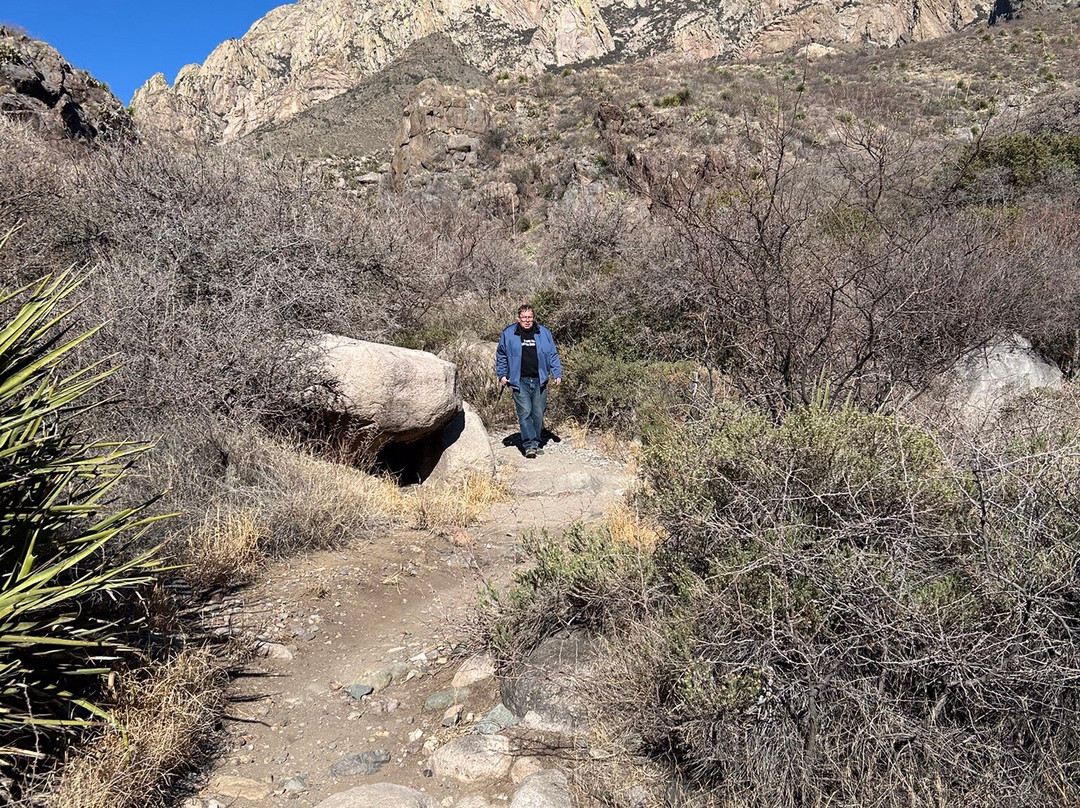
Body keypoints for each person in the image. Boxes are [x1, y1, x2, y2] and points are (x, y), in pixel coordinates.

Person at [495, 305, 562, 458]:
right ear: (518, 318)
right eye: (524, 317)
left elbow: (553, 354)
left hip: (540, 380)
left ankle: (536, 441)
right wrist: (502, 374)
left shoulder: (543, 333)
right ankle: (529, 445)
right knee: (525, 412)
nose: (527, 320)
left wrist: (557, 373)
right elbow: (502, 355)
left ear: (533, 318)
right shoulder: (509, 333)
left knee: (538, 413)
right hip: (519, 380)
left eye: (529, 317)